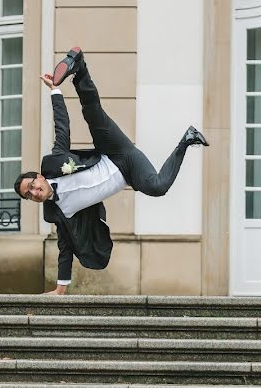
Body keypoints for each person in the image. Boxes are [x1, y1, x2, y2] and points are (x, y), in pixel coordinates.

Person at [14, 47, 209, 295]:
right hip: (126, 172)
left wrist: (54, 90)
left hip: (114, 151)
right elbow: (65, 247)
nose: (34, 192)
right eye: (29, 195)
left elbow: (62, 128)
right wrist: (60, 289)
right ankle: (187, 139)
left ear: (39, 177)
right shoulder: (55, 212)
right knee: (158, 187)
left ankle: (79, 66)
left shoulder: (52, 165)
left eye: (32, 185)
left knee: (93, 114)